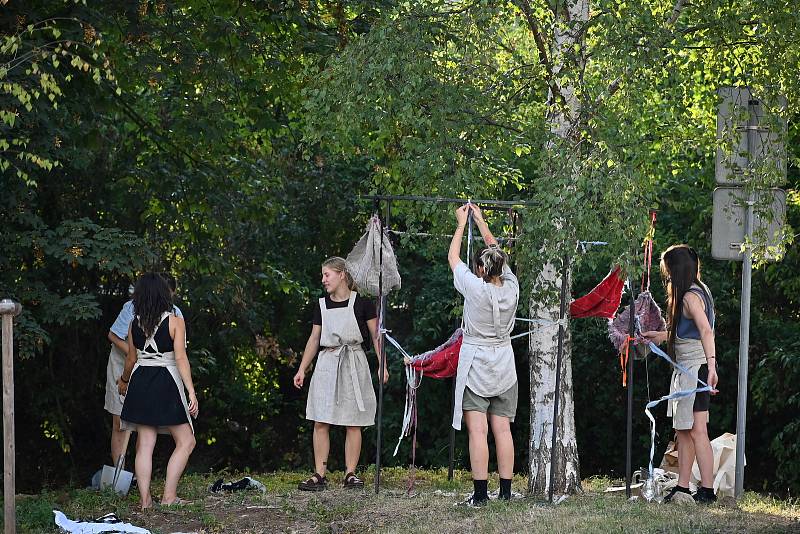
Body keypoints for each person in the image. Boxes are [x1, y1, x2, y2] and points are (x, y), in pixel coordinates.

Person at [293, 257, 388, 491]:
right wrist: (302, 368)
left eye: (327, 275)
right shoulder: (321, 305)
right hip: (327, 363)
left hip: (354, 362)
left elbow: (377, 336)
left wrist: (382, 364)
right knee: (321, 419)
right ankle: (319, 474)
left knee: (353, 421)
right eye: (323, 275)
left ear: (342, 275)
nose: (323, 280)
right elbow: (314, 338)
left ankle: (350, 474)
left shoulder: (363, 304)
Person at [448, 204, 519, 507]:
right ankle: (505, 491)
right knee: (502, 429)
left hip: (477, 361)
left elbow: (452, 258)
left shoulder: (475, 289)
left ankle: (480, 495)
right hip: (504, 361)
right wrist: (482, 222)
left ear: (480, 269)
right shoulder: (512, 287)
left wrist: (462, 223)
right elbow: (496, 253)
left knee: (478, 429)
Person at [642, 244, 718, 504]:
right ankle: (684, 487)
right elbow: (691, 332)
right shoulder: (700, 290)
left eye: (668, 271)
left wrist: (712, 366)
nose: (667, 277)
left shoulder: (689, 297)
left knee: (696, 431)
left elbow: (706, 331)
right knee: (685, 431)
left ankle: (706, 490)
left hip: (694, 369)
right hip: (692, 369)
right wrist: (662, 336)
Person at [117, 273, 198, 509]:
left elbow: (131, 359)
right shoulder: (175, 321)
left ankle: (145, 501)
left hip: (140, 381)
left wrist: (123, 381)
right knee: (186, 441)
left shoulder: (134, 324)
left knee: (145, 444)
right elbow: (181, 358)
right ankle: (169, 496)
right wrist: (191, 391)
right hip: (166, 382)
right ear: (165, 294)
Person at [105, 275, 183, 466]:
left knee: (145, 424)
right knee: (120, 422)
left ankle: (140, 477)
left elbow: (178, 352)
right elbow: (114, 336)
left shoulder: (175, 313)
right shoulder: (131, 308)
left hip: (152, 370)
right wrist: (137, 355)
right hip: (123, 364)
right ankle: (119, 475)